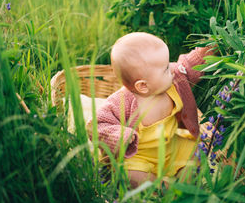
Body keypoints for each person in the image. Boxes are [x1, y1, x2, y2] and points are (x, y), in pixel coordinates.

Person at [87, 32, 215, 188]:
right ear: (143, 86)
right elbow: (98, 124)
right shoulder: (122, 101)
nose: (172, 69)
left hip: (173, 147)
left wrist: (206, 52)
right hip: (140, 156)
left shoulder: (175, 80)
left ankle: (182, 188)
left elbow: (187, 66)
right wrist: (121, 136)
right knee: (127, 173)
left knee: (196, 155)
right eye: (166, 68)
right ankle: (160, 187)